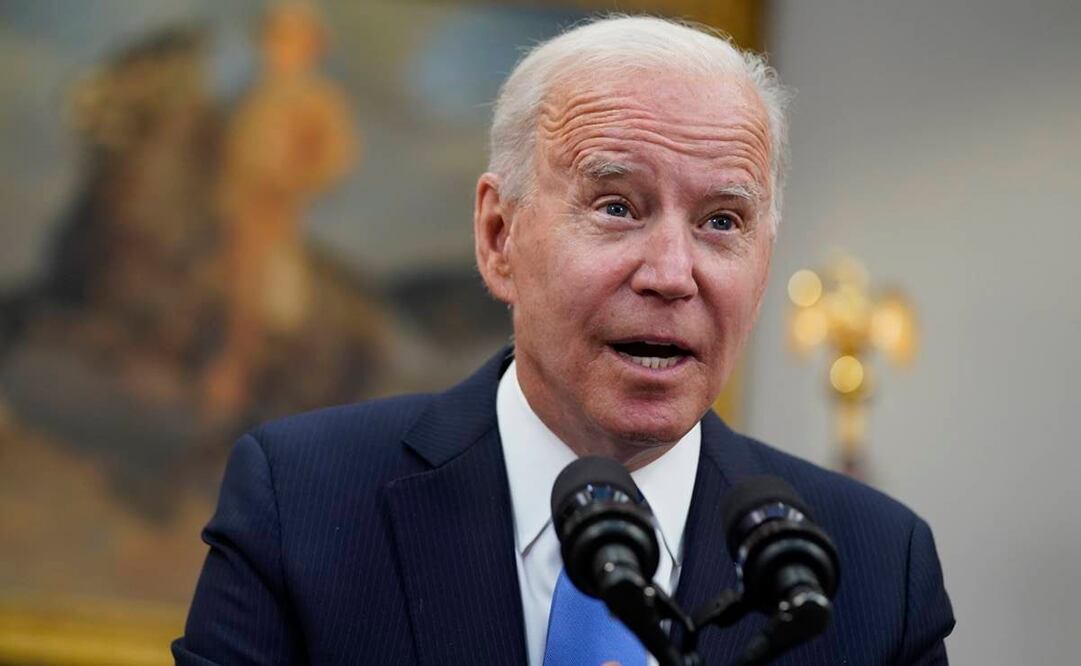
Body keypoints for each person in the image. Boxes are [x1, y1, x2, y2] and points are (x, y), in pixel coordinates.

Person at [174, 16, 954, 665]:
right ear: (497, 235)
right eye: (617, 206)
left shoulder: (875, 573)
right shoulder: (304, 502)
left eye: (721, 222)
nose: (672, 274)